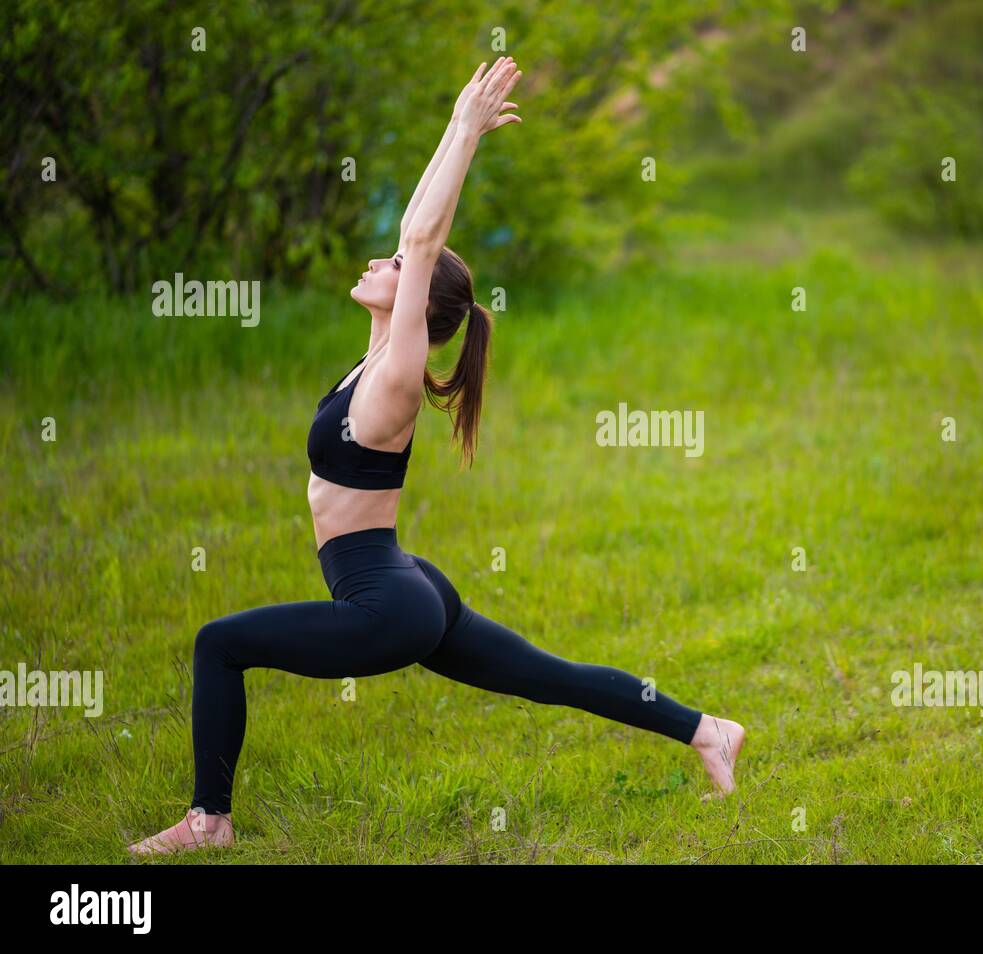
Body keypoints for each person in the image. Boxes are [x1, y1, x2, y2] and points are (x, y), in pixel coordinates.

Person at [128, 57, 744, 855]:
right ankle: (706, 730)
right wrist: (456, 131)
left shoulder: (395, 382)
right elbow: (413, 233)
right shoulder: (379, 349)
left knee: (219, 643)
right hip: (408, 583)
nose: (378, 262)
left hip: (386, 604)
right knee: (551, 676)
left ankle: (209, 823)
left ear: (416, 300)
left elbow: (423, 241)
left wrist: (466, 131)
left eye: (390, 269)